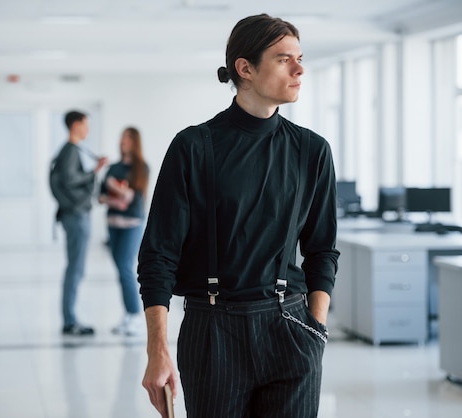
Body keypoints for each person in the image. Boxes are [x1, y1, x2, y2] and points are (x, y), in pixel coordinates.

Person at [138, 14, 340, 418]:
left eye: (300, 58)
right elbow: (158, 256)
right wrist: (157, 350)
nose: (299, 69)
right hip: (212, 330)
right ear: (244, 69)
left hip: (291, 327)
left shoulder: (311, 151)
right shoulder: (194, 147)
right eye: (284, 59)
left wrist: (315, 329)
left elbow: (322, 250)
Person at [51, 110, 108, 336]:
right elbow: (70, 179)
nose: (88, 130)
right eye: (85, 125)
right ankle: (70, 320)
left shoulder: (71, 151)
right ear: (75, 125)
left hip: (73, 214)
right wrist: (94, 171)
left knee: (75, 267)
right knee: (75, 269)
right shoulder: (70, 151)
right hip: (75, 216)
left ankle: (70, 318)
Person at [99, 127, 149, 336]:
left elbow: (133, 198)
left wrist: (115, 188)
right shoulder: (113, 168)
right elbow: (100, 197)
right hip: (113, 223)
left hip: (132, 224)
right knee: (121, 269)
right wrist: (115, 196)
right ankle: (128, 314)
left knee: (125, 267)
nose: (123, 143)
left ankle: (136, 316)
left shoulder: (142, 167)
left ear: (134, 142)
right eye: (121, 139)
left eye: (127, 140)